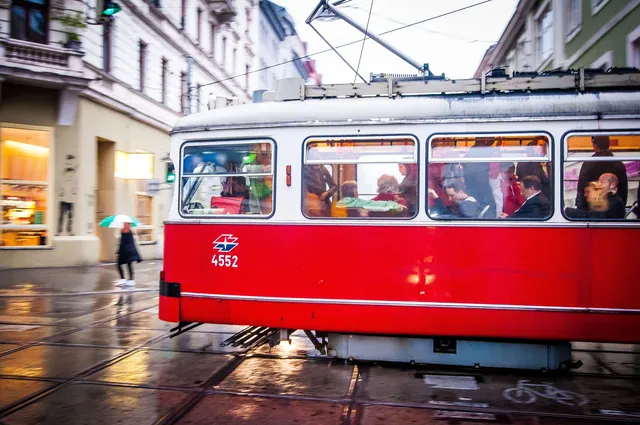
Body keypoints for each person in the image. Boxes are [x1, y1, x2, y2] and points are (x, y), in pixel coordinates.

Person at [575, 136, 628, 210]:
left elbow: (581, 188)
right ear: (609, 145)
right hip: (614, 210)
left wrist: (580, 209)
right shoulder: (618, 164)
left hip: (591, 209)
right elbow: (623, 190)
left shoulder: (588, 164)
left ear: (595, 146)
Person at [336, 181, 406, 214]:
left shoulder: (338, 204)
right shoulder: (359, 203)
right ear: (355, 192)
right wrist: (395, 205)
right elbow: (377, 204)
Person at [115, 222, 142, 287]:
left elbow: (128, 243)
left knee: (128, 265)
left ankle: (130, 280)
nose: (125, 225)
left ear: (129, 225)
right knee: (120, 264)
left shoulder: (128, 232)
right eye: (124, 224)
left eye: (127, 224)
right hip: (124, 251)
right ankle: (125, 279)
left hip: (128, 251)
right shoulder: (123, 231)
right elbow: (121, 242)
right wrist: (118, 250)